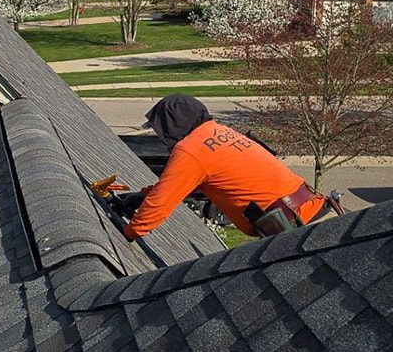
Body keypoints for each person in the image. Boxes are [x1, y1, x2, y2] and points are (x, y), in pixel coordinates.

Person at [112, 94, 337, 241]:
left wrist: (128, 233)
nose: (161, 137)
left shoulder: (190, 150)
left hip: (300, 232)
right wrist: (140, 198)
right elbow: (183, 186)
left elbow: (162, 201)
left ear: (171, 127)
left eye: (160, 130)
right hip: (315, 211)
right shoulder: (219, 131)